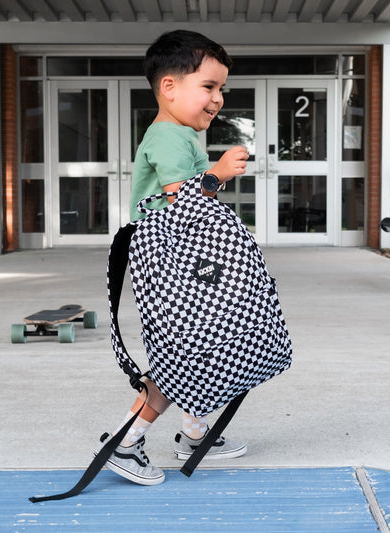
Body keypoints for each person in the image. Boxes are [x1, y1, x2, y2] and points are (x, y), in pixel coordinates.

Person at [99, 30, 250, 486]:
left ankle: (194, 431)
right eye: (208, 86)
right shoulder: (166, 136)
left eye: (221, 88)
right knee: (181, 354)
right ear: (169, 86)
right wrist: (218, 173)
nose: (218, 98)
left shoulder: (180, 135)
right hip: (168, 261)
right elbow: (182, 198)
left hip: (180, 257)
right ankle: (125, 443)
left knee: (200, 344)